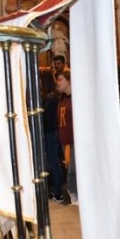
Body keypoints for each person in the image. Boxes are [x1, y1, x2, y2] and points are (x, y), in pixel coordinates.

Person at [41, 68, 64, 203]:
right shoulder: (54, 95)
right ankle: (56, 190)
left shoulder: (50, 97)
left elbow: (45, 117)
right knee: (54, 161)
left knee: (54, 162)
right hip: (52, 130)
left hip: (50, 132)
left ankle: (57, 191)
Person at [57, 70, 78, 205]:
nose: (57, 82)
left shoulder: (76, 98)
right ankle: (73, 197)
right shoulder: (62, 99)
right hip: (66, 140)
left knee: (73, 171)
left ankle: (76, 196)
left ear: (69, 80)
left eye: (60, 79)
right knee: (70, 169)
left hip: (75, 140)